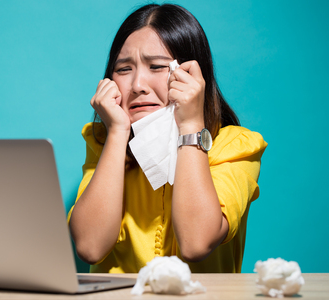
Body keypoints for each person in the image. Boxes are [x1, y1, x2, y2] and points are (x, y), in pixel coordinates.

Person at [68, 3, 267, 273]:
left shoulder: (235, 146)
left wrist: (191, 124)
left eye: (157, 67)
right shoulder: (103, 141)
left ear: (192, 75)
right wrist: (116, 131)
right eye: (124, 69)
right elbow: (90, 247)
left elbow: (196, 243)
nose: (138, 85)